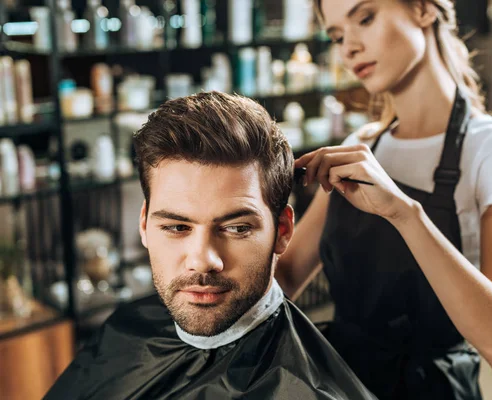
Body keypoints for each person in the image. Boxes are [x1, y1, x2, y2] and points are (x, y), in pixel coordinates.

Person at [276, 0, 492, 399]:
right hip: (344, 383)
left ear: (422, 9)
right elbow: (289, 273)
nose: (348, 48)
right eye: (337, 36)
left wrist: (404, 213)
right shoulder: (360, 145)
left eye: (365, 18)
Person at [45, 92, 376, 400]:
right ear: (145, 226)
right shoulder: (126, 330)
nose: (202, 261)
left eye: (235, 228)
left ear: (283, 231)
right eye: (176, 226)